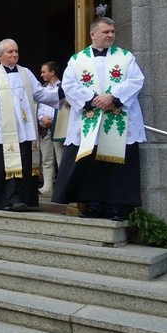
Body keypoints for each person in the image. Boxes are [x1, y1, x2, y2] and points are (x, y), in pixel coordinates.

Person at [52, 17, 145, 221]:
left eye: (112, 31)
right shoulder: (77, 60)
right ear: (93, 34)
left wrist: (114, 97)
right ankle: (93, 206)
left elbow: (136, 80)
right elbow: (68, 86)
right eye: (106, 32)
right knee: (91, 166)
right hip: (90, 120)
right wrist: (92, 100)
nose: (111, 35)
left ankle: (116, 208)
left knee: (117, 167)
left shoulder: (125, 57)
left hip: (117, 117)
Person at [0, 39, 62, 212]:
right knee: (6, 166)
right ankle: (7, 199)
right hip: (2, 131)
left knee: (24, 164)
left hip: (25, 129)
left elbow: (40, 93)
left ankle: (22, 198)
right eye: (10, 52)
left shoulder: (26, 73)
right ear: (0, 56)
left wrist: (61, 93)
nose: (15, 54)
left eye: (16, 51)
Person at [37, 61, 64, 196]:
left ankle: (62, 189)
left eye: (44, 72)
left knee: (61, 159)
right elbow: (38, 107)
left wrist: (54, 119)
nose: (41, 75)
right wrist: (42, 118)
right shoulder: (42, 88)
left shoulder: (64, 87)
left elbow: (65, 107)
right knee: (46, 159)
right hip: (44, 128)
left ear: (52, 72)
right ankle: (47, 187)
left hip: (58, 127)